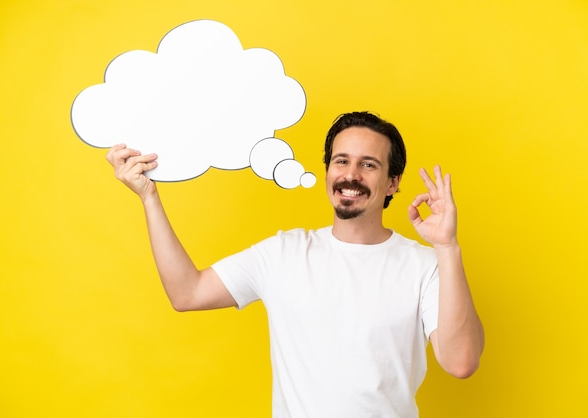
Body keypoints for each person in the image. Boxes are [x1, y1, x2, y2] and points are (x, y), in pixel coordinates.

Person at [106, 111, 484, 418]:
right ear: (327, 172)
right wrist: (149, 198)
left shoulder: (425, 266)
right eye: (341, 161)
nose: (350, 175)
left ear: (391, 183)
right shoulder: (283, 253)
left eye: (368, 164)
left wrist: (447, 247)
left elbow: (461, 362)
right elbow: (187, 293)